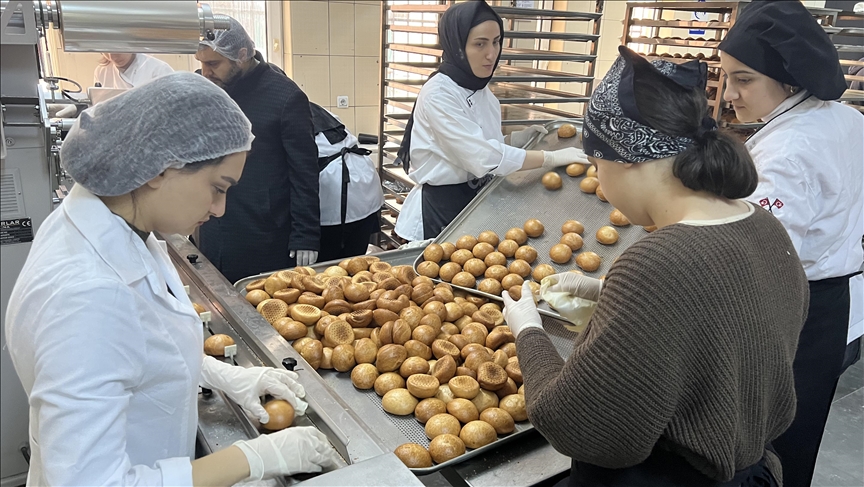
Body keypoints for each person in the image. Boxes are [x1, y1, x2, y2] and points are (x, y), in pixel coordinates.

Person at [4, 72, 338, 486]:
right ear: (159, 168)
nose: (219, 209)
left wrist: (220, 374)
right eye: (218, 187)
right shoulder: (87, 296)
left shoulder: (119, 226)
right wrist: (254, 458)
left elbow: (135, 351)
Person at [502, 46, 809, 486]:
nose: (600, 183)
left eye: (596, 163)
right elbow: (718, 332)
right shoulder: (762, 225)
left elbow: (581, 428)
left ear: (625, 157)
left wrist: (528, 331)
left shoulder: (658, 260)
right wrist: (609, 290)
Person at [718, 3, 864, 486]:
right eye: (726, 77)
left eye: (744, 80)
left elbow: (764, 258)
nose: (728, 94)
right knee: (802, 434)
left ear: (786, 79)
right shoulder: (844, 118)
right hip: (839, 304)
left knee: (768, 447)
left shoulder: (788, 152)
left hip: (796, 316)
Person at [393, 0, 587, 242]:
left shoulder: (479, 88)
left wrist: (515, 140)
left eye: (496, 41)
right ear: (458, 47)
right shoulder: (439, 95)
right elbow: (481, 157)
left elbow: (478, 142)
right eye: (479, 44)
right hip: (441, 209)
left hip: (476, 201)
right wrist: (550, 158)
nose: (491, 54)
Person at [196, 17, 320, 281]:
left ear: (241, 55)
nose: (205, 72)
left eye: (213, 64)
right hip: (212, 224)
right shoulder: (207, 88)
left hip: (262, 231)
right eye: (202, 63)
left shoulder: (285, 97)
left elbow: (304, 173)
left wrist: (306, 235)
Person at [311, 103, 384, 261]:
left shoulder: (292, 116)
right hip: (362, 185)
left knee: (334, 266)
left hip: (338, 194)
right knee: (352, 262)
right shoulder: (316, 110)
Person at [94, 52, 174, 88]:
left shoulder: (159, 70)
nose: (112, 57)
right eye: (106, 51)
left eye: (117, 50)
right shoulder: (101, 72)